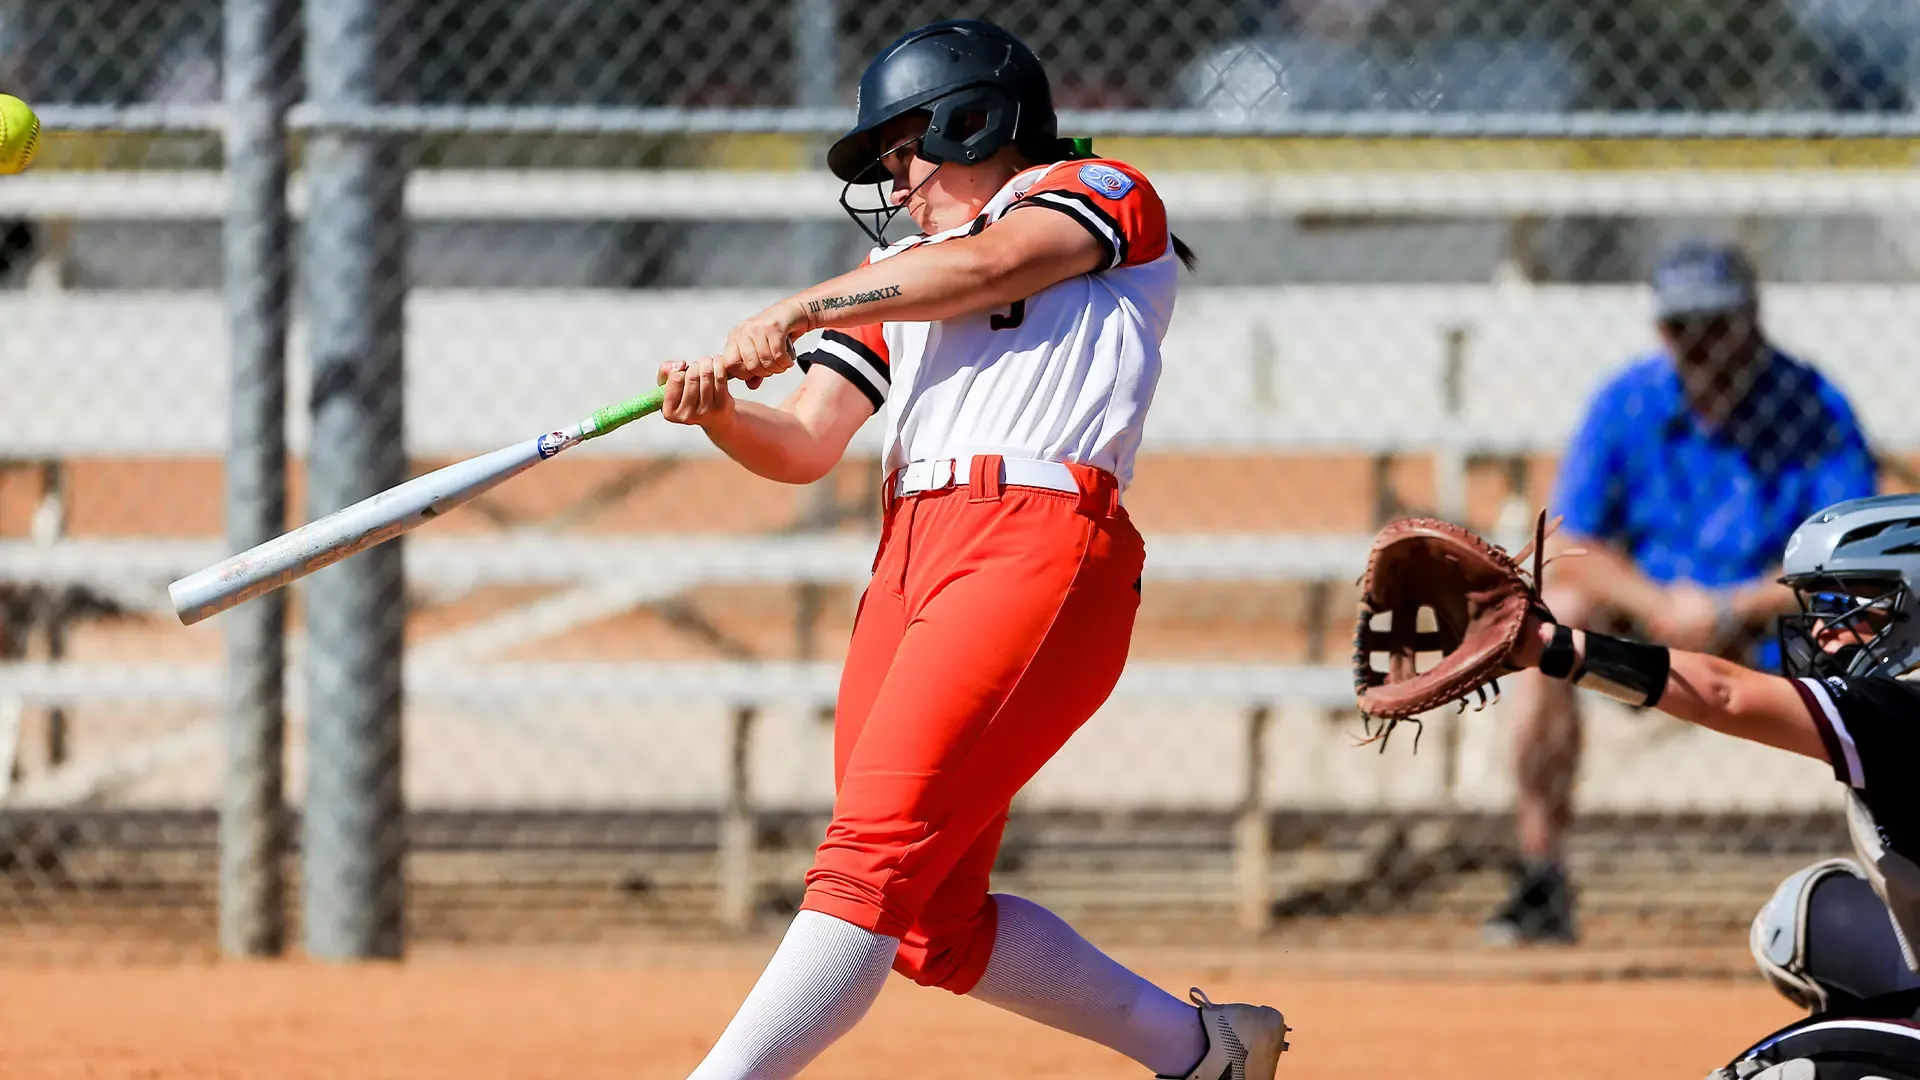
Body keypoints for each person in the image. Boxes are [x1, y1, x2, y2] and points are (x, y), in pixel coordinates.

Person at [655, 19, 1289, 1080]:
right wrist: (718, 411)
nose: (898, 184)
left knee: (862, 869)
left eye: (906, 152)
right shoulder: (894, 271)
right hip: (909, 556)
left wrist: (802, 301)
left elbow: (992, 263)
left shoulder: (1105, 193)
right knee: (924, 923)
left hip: (1035, 538)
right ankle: (1206, 1052)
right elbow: (807, 444)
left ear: (976, 118)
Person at [1491, 240, 1879, 945]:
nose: (1700, 348)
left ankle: (1897, 884)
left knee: (1885, 639)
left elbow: (1848, 556)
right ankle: (1539, 875)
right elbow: (1568, 536)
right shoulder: (1629, 400)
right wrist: (1655, 606)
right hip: (1650, 618)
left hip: (1775, 623)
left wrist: (1731, 608)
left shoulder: (1812, 405)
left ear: (1753, 322)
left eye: (1717, 327)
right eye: (1682, 329)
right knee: (1559, 618)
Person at [1492, 494, 1920, 1078]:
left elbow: (1725, 692)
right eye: (1821, 604)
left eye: (1853, 602)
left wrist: (1551, 647)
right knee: (1803, 920)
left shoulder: (1900, 713)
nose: (1824, 629)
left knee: (1769, 1074)